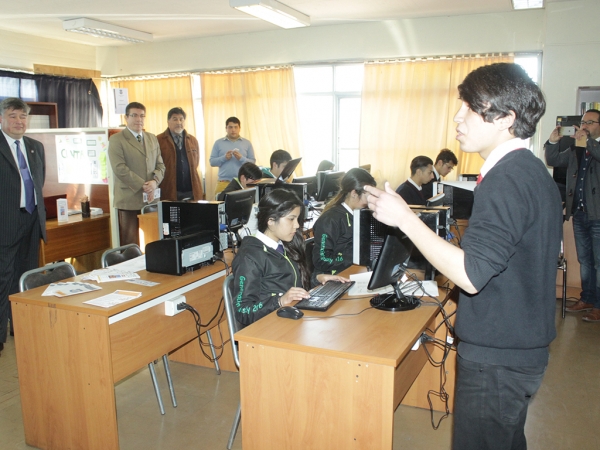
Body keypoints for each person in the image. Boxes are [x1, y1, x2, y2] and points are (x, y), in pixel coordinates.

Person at [366, 63, 562, 450]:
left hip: (498, 359)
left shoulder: (507, 179)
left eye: (471, 107)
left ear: (506, 118)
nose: (459, 116)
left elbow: (472, 275)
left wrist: (405, 218)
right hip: (516, 349)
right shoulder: (530, 171)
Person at [232, 189, 349, 326]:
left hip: (291, 320)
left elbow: (291, 284)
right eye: (291, 219)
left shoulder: (283, 245)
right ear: (270, 220)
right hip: (269, 328)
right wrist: (280, 301)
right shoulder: (249, 256)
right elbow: (242, 311)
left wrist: (318, 279)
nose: (297, 225)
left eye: (297, 219)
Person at [0, 98, 47, 356]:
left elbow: (38, 183)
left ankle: (21, 326)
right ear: (2, 119)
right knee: (2, 279)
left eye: (23, 117)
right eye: (13, 116)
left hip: (31, 220)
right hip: (5, 223)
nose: (19, 122)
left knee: (25, 277)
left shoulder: (35, 147)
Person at [545, 109, 600, 323]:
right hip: (579, 212)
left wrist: (587, 142)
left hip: (597, 215)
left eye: (590, 122)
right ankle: (587, 298)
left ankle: (598, 305)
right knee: (585, 260)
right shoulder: (578, 148)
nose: (584, 126)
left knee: (598, 262)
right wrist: (552, 141)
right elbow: (553, 159)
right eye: (583, 122)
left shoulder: (591, 146)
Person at [108, 102, 165, 246]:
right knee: (131, 243)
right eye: (134, 115)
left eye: (142, 116)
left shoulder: (152, 138)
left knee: (153, 240)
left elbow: (160, 165)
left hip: (151, 200)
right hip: (129, 199)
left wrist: (154, 182)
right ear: (126, 117)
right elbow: (119, 168)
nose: (138, 119)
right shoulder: (117, 139)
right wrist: (144, 185)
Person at [311, 168, 376, 285]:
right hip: (333, 278)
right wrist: (353, 259)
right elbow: (321, 259)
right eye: (368, 196)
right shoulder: (330, 220)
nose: (370, 201)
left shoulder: (361, 215)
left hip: (353, 273)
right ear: (354, 194)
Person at [156, 107, 204, 201]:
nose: (179, 122)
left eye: (181, 119)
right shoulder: (159, 140)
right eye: (175, 119)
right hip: (170, 190)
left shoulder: (192, 140)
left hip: (191, 190)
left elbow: (196, 163)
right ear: (168, 122)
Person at [210, 117, 256, 195]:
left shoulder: (247, 143)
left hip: (241, 183)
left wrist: (242, 159)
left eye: (235, 127)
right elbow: (212, 162)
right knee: (220, 205)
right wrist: (224, 158)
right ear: (226, 128)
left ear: (239, 128)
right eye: (230, 127)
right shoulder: (218, 143)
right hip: (223, 182)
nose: (233, 130)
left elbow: (253, 163)